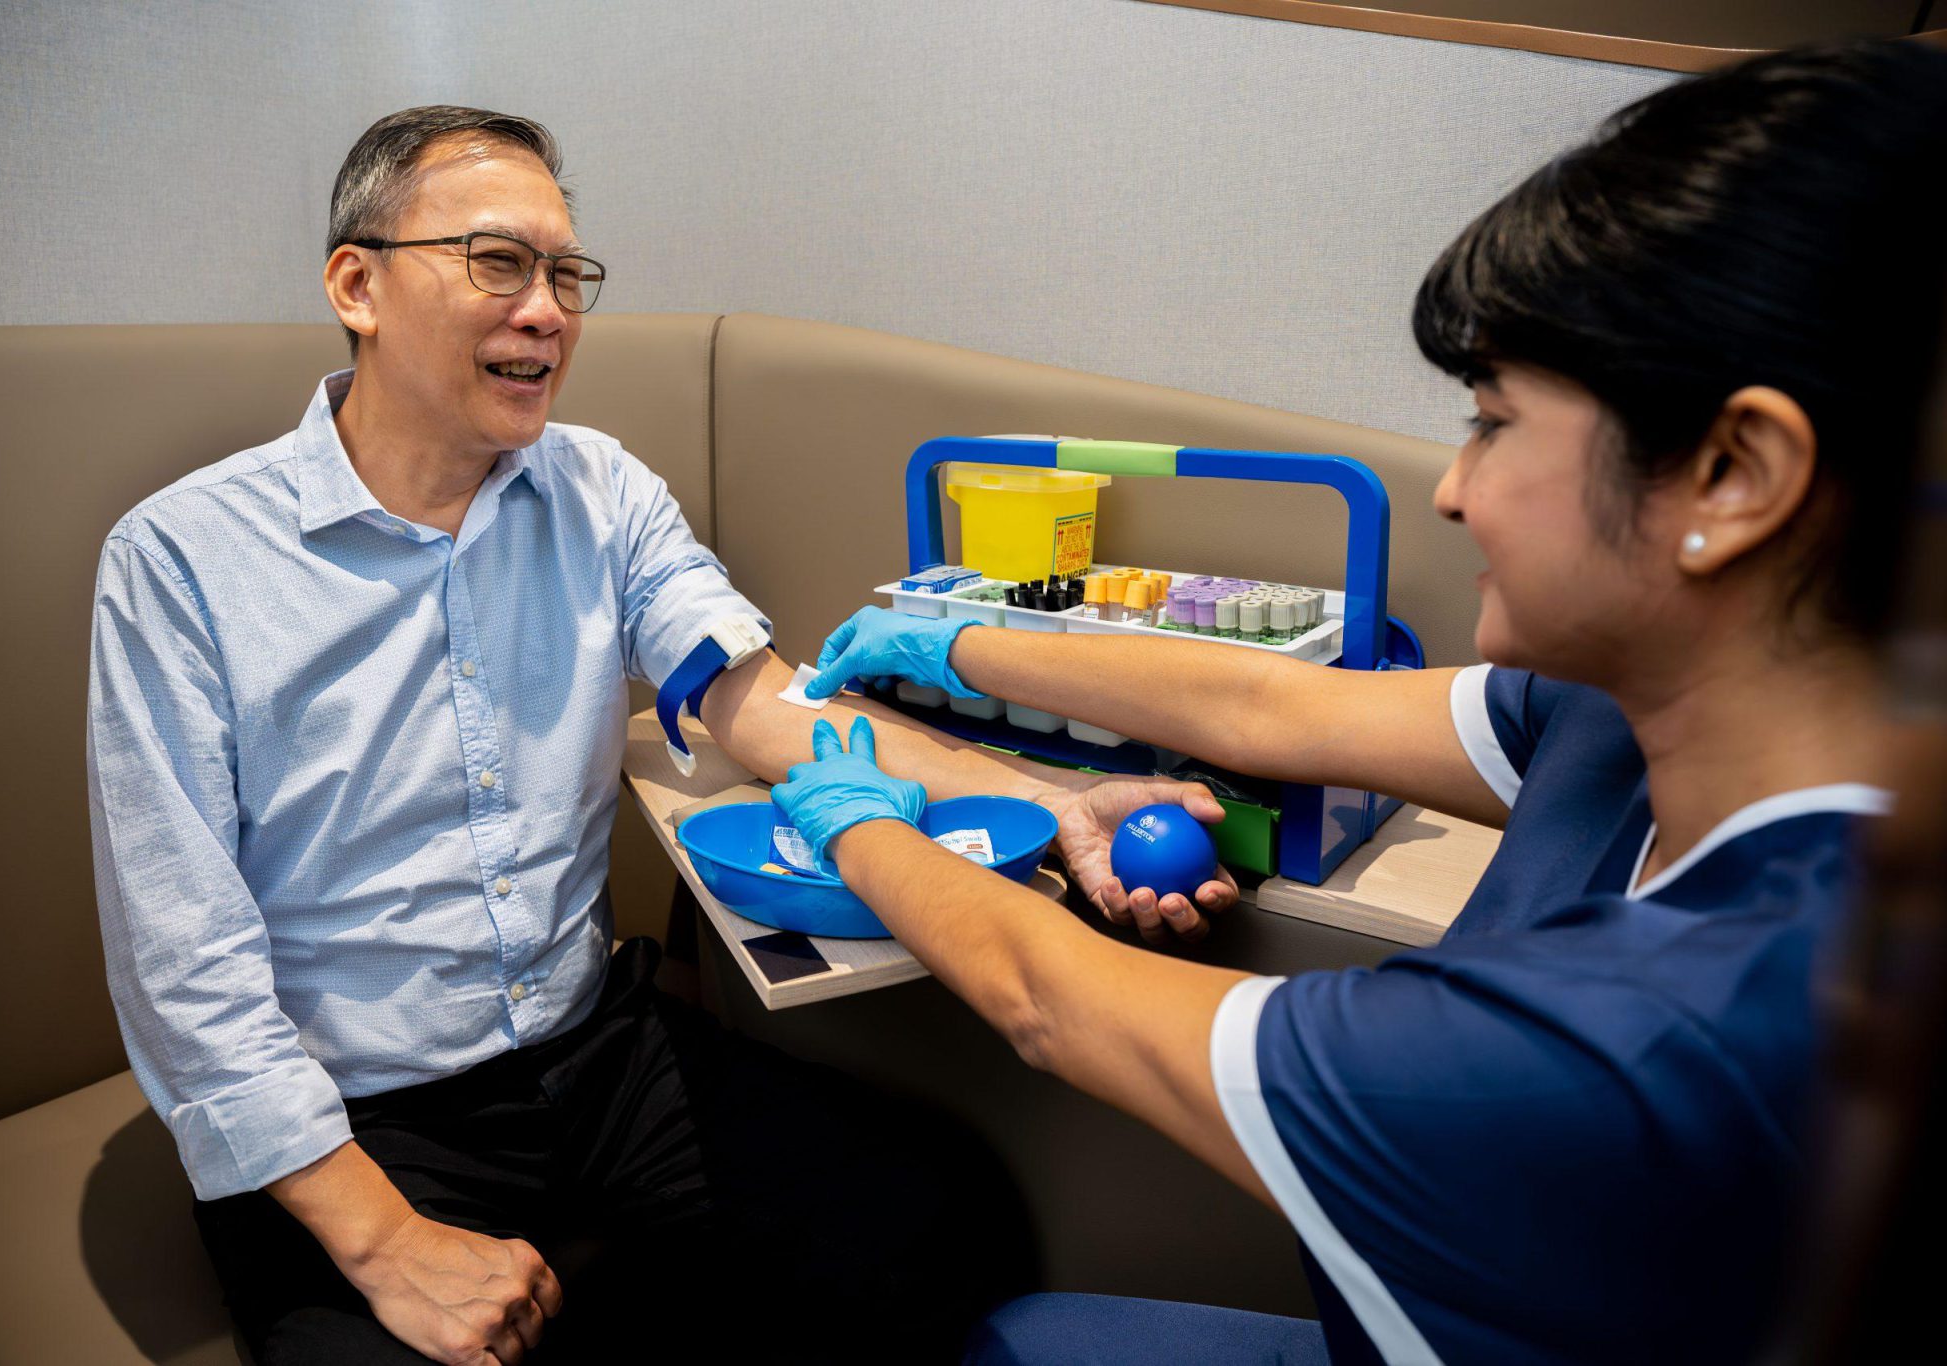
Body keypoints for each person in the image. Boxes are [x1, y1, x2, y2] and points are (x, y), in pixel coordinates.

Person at [776, 40, 1947, 1364]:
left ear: (1736, 473)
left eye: (1495, 424)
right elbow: (1270, 711)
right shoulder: (1628, 716)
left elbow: (1052, 998)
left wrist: (850, 812)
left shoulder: (1634, 1047)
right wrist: (963, 645)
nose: (1454, 491)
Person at [85, 105, 1213, 1365]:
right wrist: (386, 1240)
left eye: (566, 273)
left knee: (938, 1221)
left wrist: (1045, 797)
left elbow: (761, 702)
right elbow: (183, 965)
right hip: (356, 1120)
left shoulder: (599, 489)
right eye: (498, 262)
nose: (548, 310)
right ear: (358, 283)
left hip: (596, 1057)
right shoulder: (181, 560)